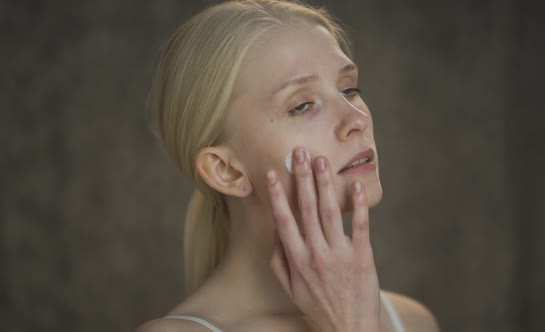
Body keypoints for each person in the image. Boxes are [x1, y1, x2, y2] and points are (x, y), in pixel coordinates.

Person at [137, 0, 439, 331]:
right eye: (302, 105)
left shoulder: (411, 322)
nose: (357, 118)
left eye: (349, 89)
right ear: (226, 170)